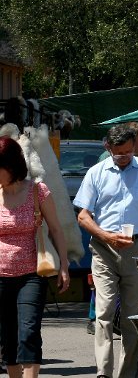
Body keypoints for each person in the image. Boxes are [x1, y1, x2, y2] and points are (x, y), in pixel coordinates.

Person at [74, 125, 138, 378]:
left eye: (128, 151)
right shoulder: (96, 173)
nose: (124, 156)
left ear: (135, 146)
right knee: (103, 312)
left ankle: (128, 374)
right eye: (118, 153)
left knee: (133, 316)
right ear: (108, 147)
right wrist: (105, 236)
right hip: (104, 249)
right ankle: (103, 373)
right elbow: (83, 216)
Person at [0, 136, 70, 378]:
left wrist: (64, 266)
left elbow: (57, 230)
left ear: (11, 166)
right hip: (1, 276)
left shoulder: (37, 191)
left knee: (28, 332)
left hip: (32, 273)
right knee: (6, 336)